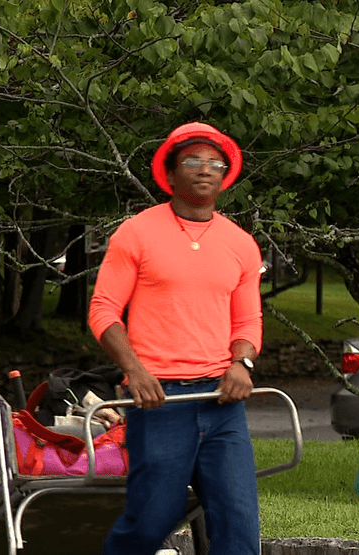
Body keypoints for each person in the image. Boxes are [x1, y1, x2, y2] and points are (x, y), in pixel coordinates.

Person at [89, 122, 264, 555]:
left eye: (214, 163)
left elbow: (248, 321)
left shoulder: (241, 244)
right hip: (160, 400)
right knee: (153, 519)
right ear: (170, 173)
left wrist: (242, 363)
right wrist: (135, 371)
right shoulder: (137, 233)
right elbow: (102, 310)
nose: (205, 169)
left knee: (239, 522)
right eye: (192, 161)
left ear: (225, 175)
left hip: (222, 404)